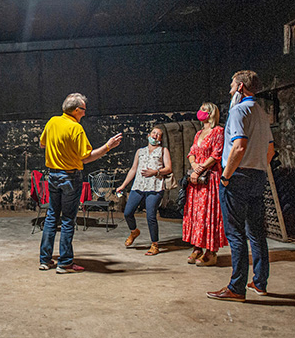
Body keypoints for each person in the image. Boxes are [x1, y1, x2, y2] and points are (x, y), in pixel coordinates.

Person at [207, 70, 275, 302]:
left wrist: (226, 177)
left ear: (240, 87)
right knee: (256, 233)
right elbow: (271, 150)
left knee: (235, 234)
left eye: (231, 85)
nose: (229, 90)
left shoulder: (239, 111)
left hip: (237, 178)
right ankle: (260, 282)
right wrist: (256, 166)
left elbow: (239, 147)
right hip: (258, 176)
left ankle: (236, 288)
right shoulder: (262, 113)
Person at [39, 93, 122, 274]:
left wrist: (59, 150)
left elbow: (43, 144)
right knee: (68, 219)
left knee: (52, 217)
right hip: (70, 177)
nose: (85, 113)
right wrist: (108, 146)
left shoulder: (52, 122)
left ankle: (45, 260)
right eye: (83, 110)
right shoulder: (76, 128)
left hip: (52, 176)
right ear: (76, 110)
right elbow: (86, 158)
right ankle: (65, 263)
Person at [182, 102, 227, 266]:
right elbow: (192, 153)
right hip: (197, 180)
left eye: (204, 110)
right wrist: (194, 166)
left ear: (211, 113)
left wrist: (200, 169)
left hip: (210, 179)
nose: (200, 112)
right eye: (200, 109)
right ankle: (197, 246)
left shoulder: (218, 131)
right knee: (196, 214)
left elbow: (216, 154)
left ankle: (211, 251)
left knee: (209, 214)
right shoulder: (199, 133)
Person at [116, 127, 172, 256]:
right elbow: (133, 169)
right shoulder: (140, 151)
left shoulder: (163, 151)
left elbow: (168, 168)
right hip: (138, 186)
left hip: (155, 186)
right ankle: (134, 231)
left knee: (150, 216)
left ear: (161, 139)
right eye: (154, 133)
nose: (155, 135)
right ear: (148, 135)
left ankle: (154, 244)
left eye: (159, 134)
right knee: (128, 213)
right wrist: (123, 185)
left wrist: (156, 172)